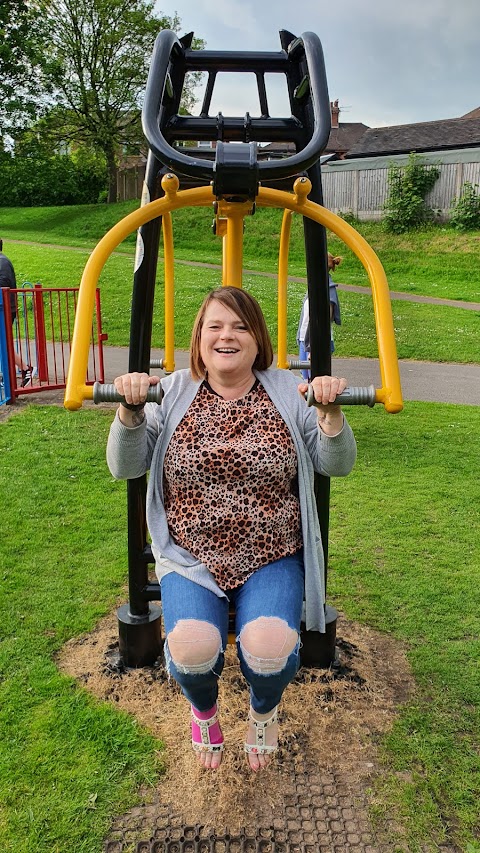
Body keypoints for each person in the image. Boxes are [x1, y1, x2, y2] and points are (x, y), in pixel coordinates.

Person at [107, 286, 356, 772]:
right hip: (191, 555)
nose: (228, 336)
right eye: (216, 326)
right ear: (199, 338)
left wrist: (330, 415)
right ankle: (204, 711)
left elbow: (337, 464)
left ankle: (263, 711)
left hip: (273, 552)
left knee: (268, 651)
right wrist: (130, 410)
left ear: (257, 339)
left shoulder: (287, 390)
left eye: (240, 326)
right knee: (194, 651)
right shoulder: (173, 391)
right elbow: (125, 465)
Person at [297, 252, 342, 380]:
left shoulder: (328, 289)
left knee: (316, 380)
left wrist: (316, 346)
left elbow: (325, 319)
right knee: (305, 377)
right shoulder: (314, 286)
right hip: (305, 339)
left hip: (317, 342)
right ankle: (305, 400)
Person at [0, 238, 33, 387]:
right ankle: (23, 370)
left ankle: (24, 369)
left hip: (5, 308)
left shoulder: (3, 262)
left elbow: (4, 282)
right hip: (4, 307)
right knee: (4, 343)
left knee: (4, 343)